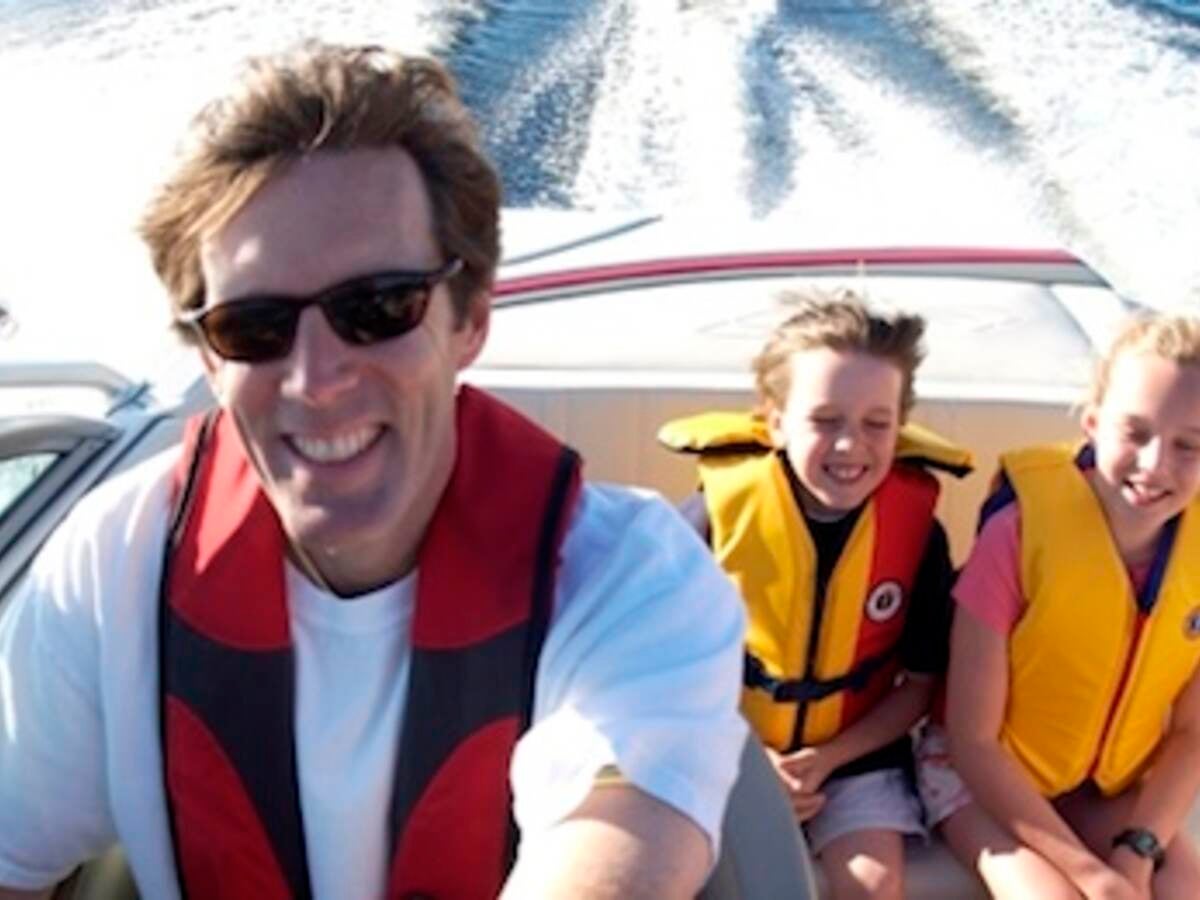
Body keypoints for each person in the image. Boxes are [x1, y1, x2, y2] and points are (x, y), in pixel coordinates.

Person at [0, 42, 748, 899]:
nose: (317, 381)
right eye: (254, 326)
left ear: (470, 321)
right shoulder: (115, 565)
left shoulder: (630, 581)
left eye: (380, 307)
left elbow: (615, 855)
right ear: (210, 362)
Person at [658, 291, 972, 898]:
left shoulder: (916, 536)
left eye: (876, 424)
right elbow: (660, 672)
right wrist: (755, 765)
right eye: (825, 421)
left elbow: (921, 687)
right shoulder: (713, 520)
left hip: (855, 756)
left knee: (875, 884)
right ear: (775, 421)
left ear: (899, 427)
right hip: (726, 746)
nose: (851, 446)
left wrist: (825, 759)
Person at [920, 312, 1200, 899]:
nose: (1154, 466)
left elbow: (1190, 734)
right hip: (979, 779)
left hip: (1103, 787)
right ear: (1093, 424)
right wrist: (1093, 875)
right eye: (1135, 433)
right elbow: (973, 742)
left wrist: (1138, 853)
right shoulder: (1019, 536)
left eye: (1188, 446)